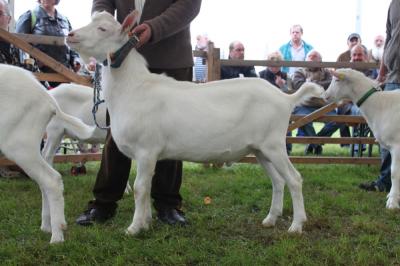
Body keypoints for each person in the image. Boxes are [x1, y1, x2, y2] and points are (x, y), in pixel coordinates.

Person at [75, 0, 202, 226]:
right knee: (117, 130)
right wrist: (102, 19)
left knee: (171, 133)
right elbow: (103, 2)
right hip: (122, 58)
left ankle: (168, 204)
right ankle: (104, 202)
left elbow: (189, 4)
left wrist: (155, 27)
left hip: (170, 57)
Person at [359, 0, 400, 192]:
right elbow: (389, 37)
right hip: (393, 76)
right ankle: (385, 182)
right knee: (386, 134)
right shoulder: (394, 4)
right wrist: (382, 72)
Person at [15, 0, 81, 88]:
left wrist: (76, 60)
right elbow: (19, 47)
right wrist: (36, 62)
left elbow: (72, 46)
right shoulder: (29, 16)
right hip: (38, 78)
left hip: (64, 78)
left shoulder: (65, 20)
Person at [0, 0, 29, 178]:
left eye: (0, 14)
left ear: (8, 19)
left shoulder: (17, 45)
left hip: (16, 98)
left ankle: (18, 162)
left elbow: (29, 69)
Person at [291, 50, 333, 155]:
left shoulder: (326, 71)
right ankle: (317, 145)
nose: (312, 59)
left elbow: (330, 84)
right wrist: (317, 85)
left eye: (315, 57)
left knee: (337, 121)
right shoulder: (299, 71)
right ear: (306, 59)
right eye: (310, 56)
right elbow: (298, 85)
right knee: (303, 119)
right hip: (303, 106)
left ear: (320, 61)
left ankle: (313, 143)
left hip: (323, 106)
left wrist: (311, 84)